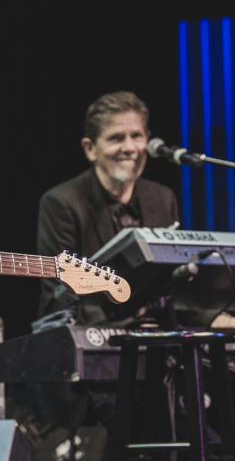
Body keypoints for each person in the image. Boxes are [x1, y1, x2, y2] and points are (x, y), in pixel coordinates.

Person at [36, 91, 179, 323]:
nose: (130, 147)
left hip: (155, 340)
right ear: (89, 148)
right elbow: (61, 295)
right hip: (93, 339)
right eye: (116, 138)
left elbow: (173, 283)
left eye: (137, 136)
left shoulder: (162, 198)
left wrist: (212, 317)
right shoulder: (61, 202)